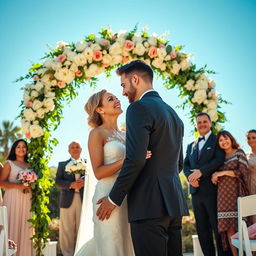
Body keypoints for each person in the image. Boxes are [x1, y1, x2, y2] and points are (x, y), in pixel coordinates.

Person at [96, 60, 188, 256]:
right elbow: (178, 164)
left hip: (148, 206)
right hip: (174, 204)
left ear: (135, 79)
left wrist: (113, 199)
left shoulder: (138, 108)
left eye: (123, 85)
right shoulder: (174, 115)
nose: (122, 92)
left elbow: (136, 159)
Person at [184, 112, 225, 256]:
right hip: (195, 193)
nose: (202, 124)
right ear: (196, 125)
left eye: (204, 121)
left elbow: (219, 160)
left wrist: (201, 172)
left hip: (212, 191)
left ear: (210, 123)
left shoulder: (216, 140)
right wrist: (191, 178)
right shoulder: (190, 145)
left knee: (217, 227)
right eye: (199, 122)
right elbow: (186, 165)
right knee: (202, 229)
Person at [212, 131, 249, 256]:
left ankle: (246, 253)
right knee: (229, 227)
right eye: (220, 140)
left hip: (237, 192)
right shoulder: (220, 157)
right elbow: (214, 171)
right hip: (222, 195)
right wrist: (214, 175)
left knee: (241, 225)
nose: (224, 142)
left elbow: (242, 172)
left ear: (231, 139)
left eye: (225, 139)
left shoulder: (239, 153)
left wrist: (222, 173)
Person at [0, 139, 33, 256]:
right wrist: (18, 186)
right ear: (14, 149)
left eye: (24, 146)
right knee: (12, 225)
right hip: (12, 197)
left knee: (26, 226)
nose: (21, 149)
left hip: (27, 199)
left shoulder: (31, 165)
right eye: (18, 146)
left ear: (27, 149)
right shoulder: (9, 163)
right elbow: (1, 182)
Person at [55, 141, 85, 256]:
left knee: (82, 228)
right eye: (72, 147)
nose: (75, 149)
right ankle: (67, 254)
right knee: (66, 230)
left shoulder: (88, 163)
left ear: (81, 149)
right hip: (67, 201)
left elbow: (93, 178)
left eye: (77, 146)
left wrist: (84, 182)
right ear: (69, 150)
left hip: (84, 201)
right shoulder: (62, 165)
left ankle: (82, 253)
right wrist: (71, 184)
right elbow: (58, 182)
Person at [246, 129, 256, 223]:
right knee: (252, 217)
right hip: (250, 188)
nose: (251, 140)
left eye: (253, 137)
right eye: (248, 138)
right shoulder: (246, 156)